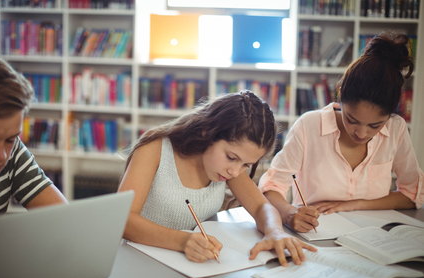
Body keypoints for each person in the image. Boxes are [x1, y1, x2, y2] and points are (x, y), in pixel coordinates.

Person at [118, 90, 317, 266]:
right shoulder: (154, 150)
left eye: (246, 165)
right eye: (232, 157)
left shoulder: (228, 168)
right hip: (137, 260)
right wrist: (182, 241)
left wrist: (275, 231)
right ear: (208, 132)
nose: (236, 172)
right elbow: (123, 220)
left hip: (189, 264)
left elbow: (260, 207)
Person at [259, 31, 423, 233]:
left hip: (376, 236)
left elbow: (412, 194)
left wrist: (354, 204)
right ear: (339, 92)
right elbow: (271, 187)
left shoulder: (396, 128)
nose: (361, 134)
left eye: (375, 126)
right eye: (352, 120)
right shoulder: (309, 126)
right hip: (317, 233)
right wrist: (289, 212)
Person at [0, 55, 68, 273]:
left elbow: (61, 219)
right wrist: (21, 240)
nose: (1, 154)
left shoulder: (12, 150)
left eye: (10, 139)